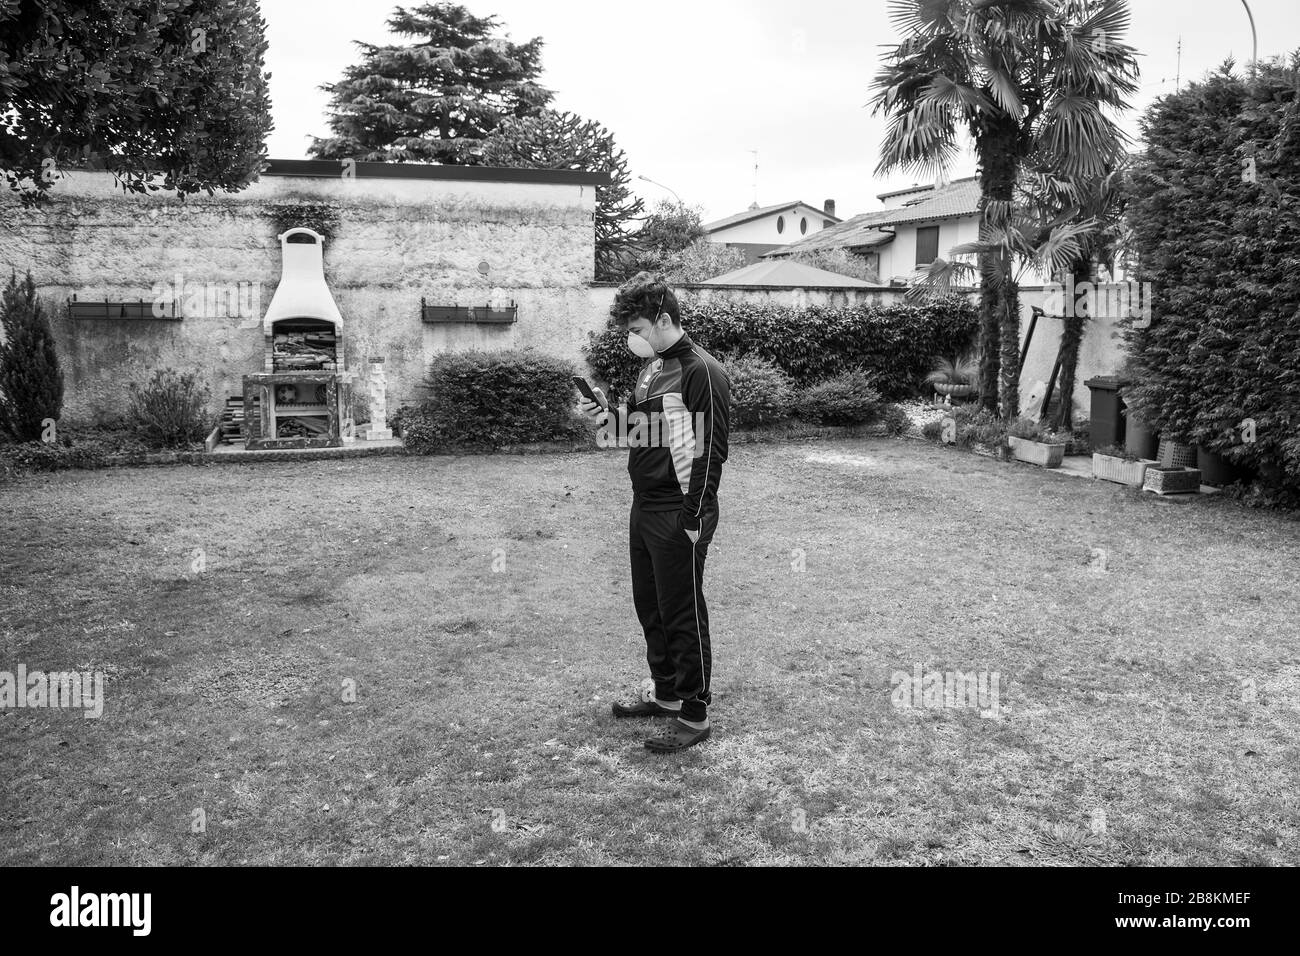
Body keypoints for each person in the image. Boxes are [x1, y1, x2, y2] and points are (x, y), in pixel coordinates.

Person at [577, 272, 731, 753]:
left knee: (682, 611)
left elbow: (712, 452)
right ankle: (665, 693)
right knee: (651, 606)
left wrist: (694, 518)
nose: (634, 338)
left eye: (640, 328)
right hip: (643, 507)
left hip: (678, 511)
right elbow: (641, 432)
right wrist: (607, 418)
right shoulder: (652, 368)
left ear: (664, 319)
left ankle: (694, 711)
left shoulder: (701, 371)